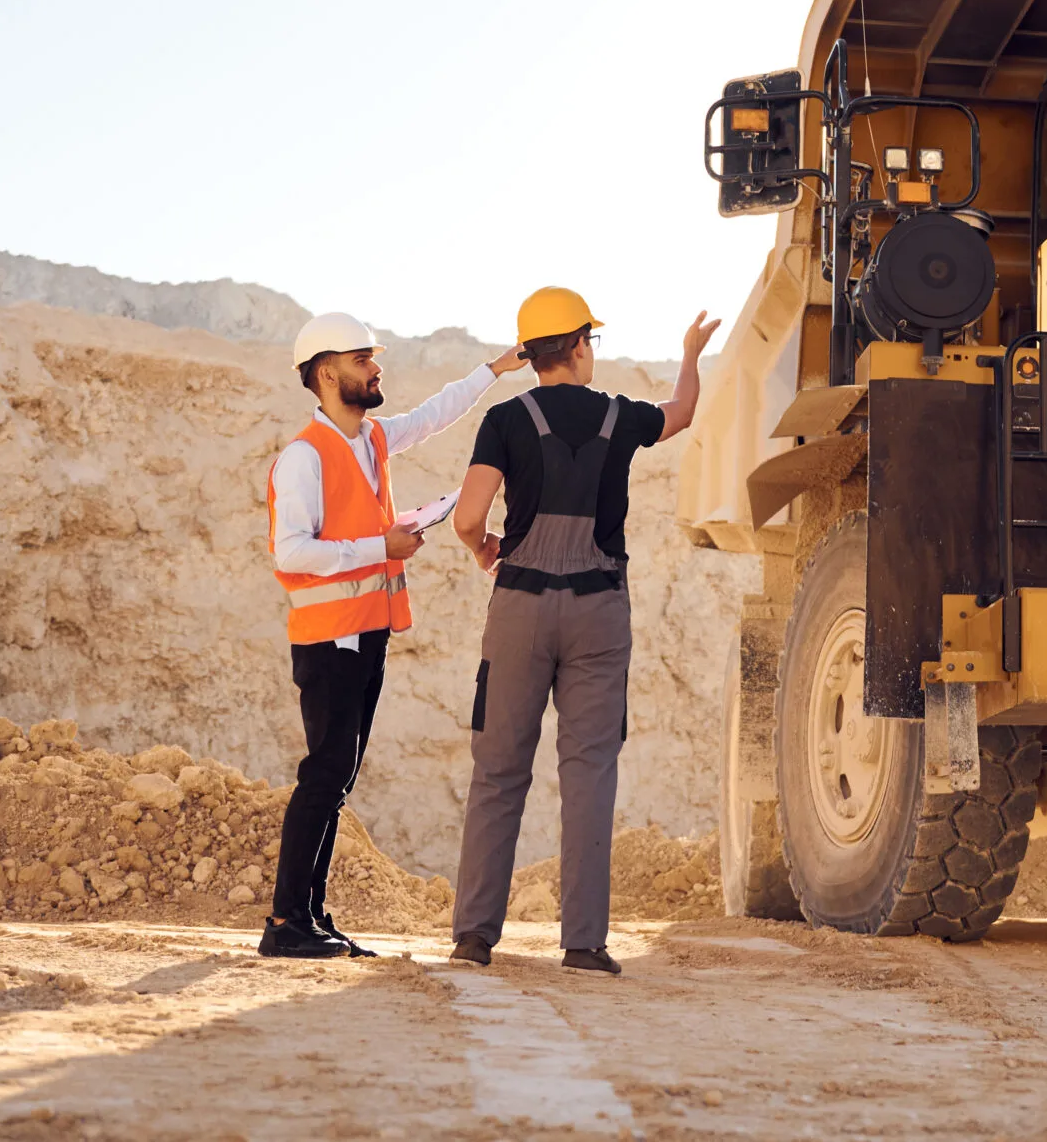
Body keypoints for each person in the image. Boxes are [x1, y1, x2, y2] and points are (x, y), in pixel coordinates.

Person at [446, 288, 717, 974]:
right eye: (590, 339)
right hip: (598, 611)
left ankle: (474, 935)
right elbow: (682, 412)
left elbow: (468, 517)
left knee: (498, 769)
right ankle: (584, 944)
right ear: (575, 346)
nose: (593, 350)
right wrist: (689, 354)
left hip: (520, 607)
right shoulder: (619, 416)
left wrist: (484, 549)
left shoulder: (505, 419)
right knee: (590, 771)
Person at [260, 312, 527, 959]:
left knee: (338, 778)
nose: (376, 367)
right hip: (330, 639)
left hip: (367, 633)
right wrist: (381, 545)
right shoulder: (303, 457)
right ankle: (285, 922)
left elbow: (434, 416)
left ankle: (311, 915)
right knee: (324, 774)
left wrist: (494, 369)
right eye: (362, 359)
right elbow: (290, 551)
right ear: (328, 373)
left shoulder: (372, 438)